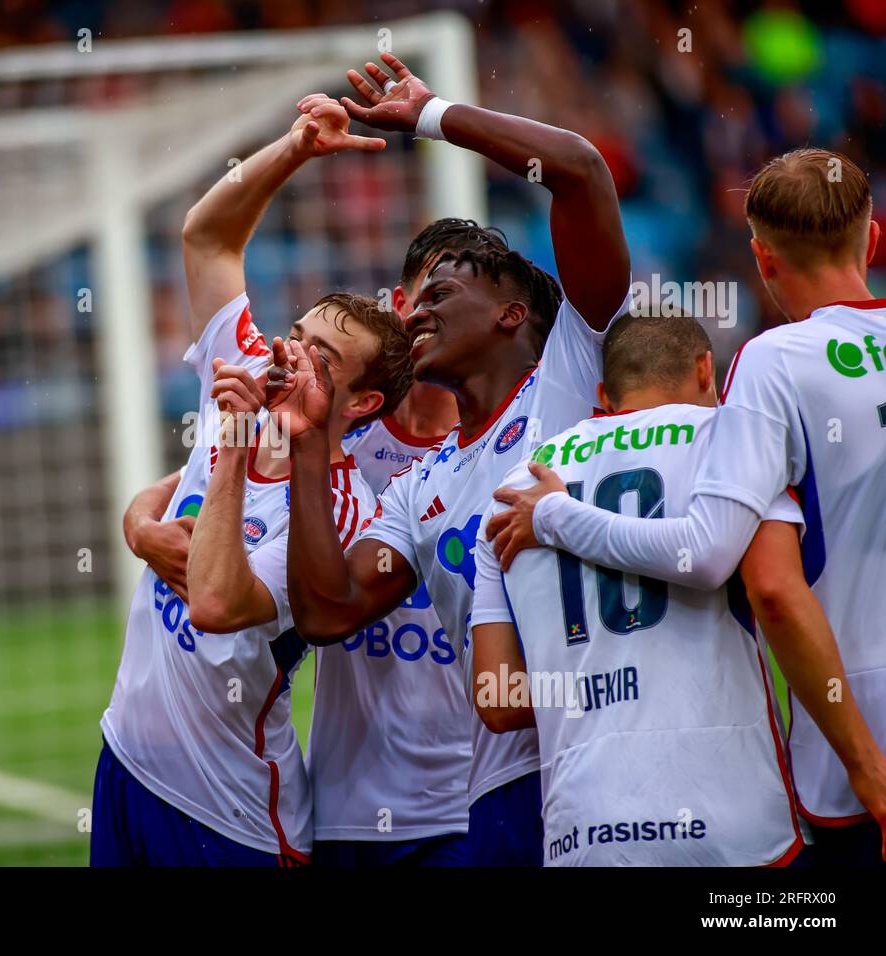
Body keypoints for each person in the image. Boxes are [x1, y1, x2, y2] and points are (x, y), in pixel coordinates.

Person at [277, 53, 631, 865]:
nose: (420, 310)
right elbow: (329, 611)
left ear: (513, 314)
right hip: (502, 788)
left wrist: (433, 115)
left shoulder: (565, 382)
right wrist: (302, 443)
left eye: (444, 293)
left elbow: (578, 170)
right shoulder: (419, 487)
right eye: (417, 296)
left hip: (613, 749)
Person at [486, 148, 886, 866]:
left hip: (850, 743)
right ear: (875, 237)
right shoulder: (725, 410)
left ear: (762, 260)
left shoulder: (773, 362)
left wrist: (555, 515)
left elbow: (741, 572)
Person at [92, 97, 411, 866]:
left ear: (361, 404)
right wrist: (295, 149)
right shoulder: (243, 367)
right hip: (125, 762)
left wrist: (230, 444)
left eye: (321, 360)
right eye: (296, 335)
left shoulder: (339, 511)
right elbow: (206, 236)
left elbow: (215, 603)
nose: (289, 356)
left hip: (228, 812)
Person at [472, 311, 811, 865]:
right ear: (708, 370)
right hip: (736, 821)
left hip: (586, 829)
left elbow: (499, 700)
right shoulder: (728, 442)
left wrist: (601, 686)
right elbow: (769, 589)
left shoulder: (516, 491)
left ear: (604, 394)